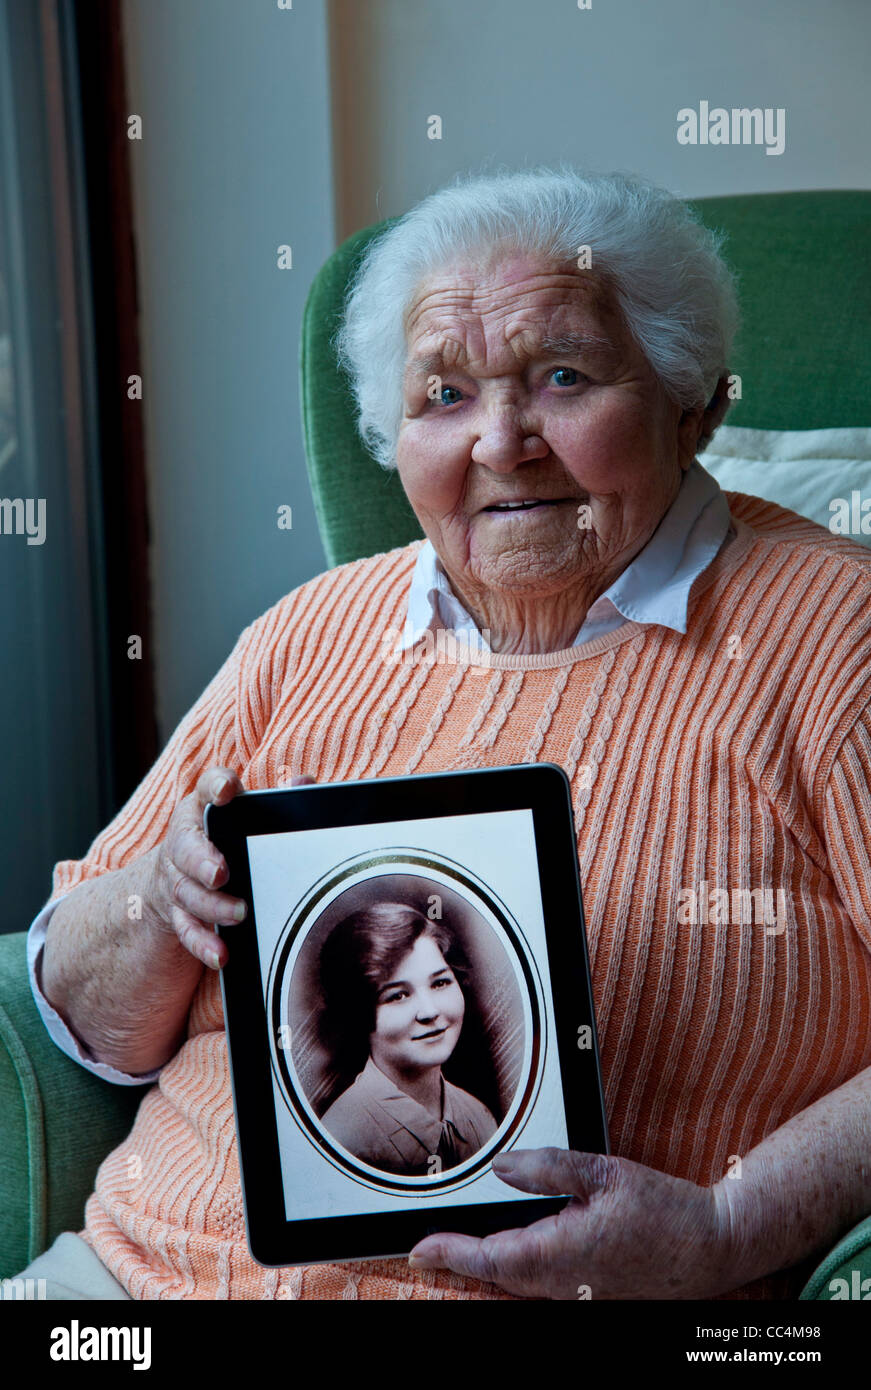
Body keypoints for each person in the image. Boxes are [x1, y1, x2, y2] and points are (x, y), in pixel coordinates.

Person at [13, 167, 871, 1302]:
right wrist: (164, 903)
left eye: (562, 376)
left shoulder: (833, 636)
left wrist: (722, 1226)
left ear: (692, 401)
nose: (502, 441)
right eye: (444, 396)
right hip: (128, 1286)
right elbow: (77, 1020)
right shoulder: (306, 633)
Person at [316, 903, 498, 1175]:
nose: (430, 1011)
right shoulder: (341, 1141)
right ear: (358, 1014)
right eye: (398, 995)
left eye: (440, 983)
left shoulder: (479, 1117)